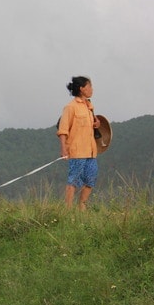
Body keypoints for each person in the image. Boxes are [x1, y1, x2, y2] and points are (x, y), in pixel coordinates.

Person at [56, 76, 100, 210]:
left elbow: (92, 124)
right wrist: (63, 148)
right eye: (90, 86)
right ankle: (68, 210)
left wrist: (96, 124)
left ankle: (82, 206)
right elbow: (63, 130)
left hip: (91, 151)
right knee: (73, 180)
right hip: (77, 150)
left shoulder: (89, 106)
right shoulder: (70, 107)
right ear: (82, 89)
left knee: (91, 179)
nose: (92, 89)